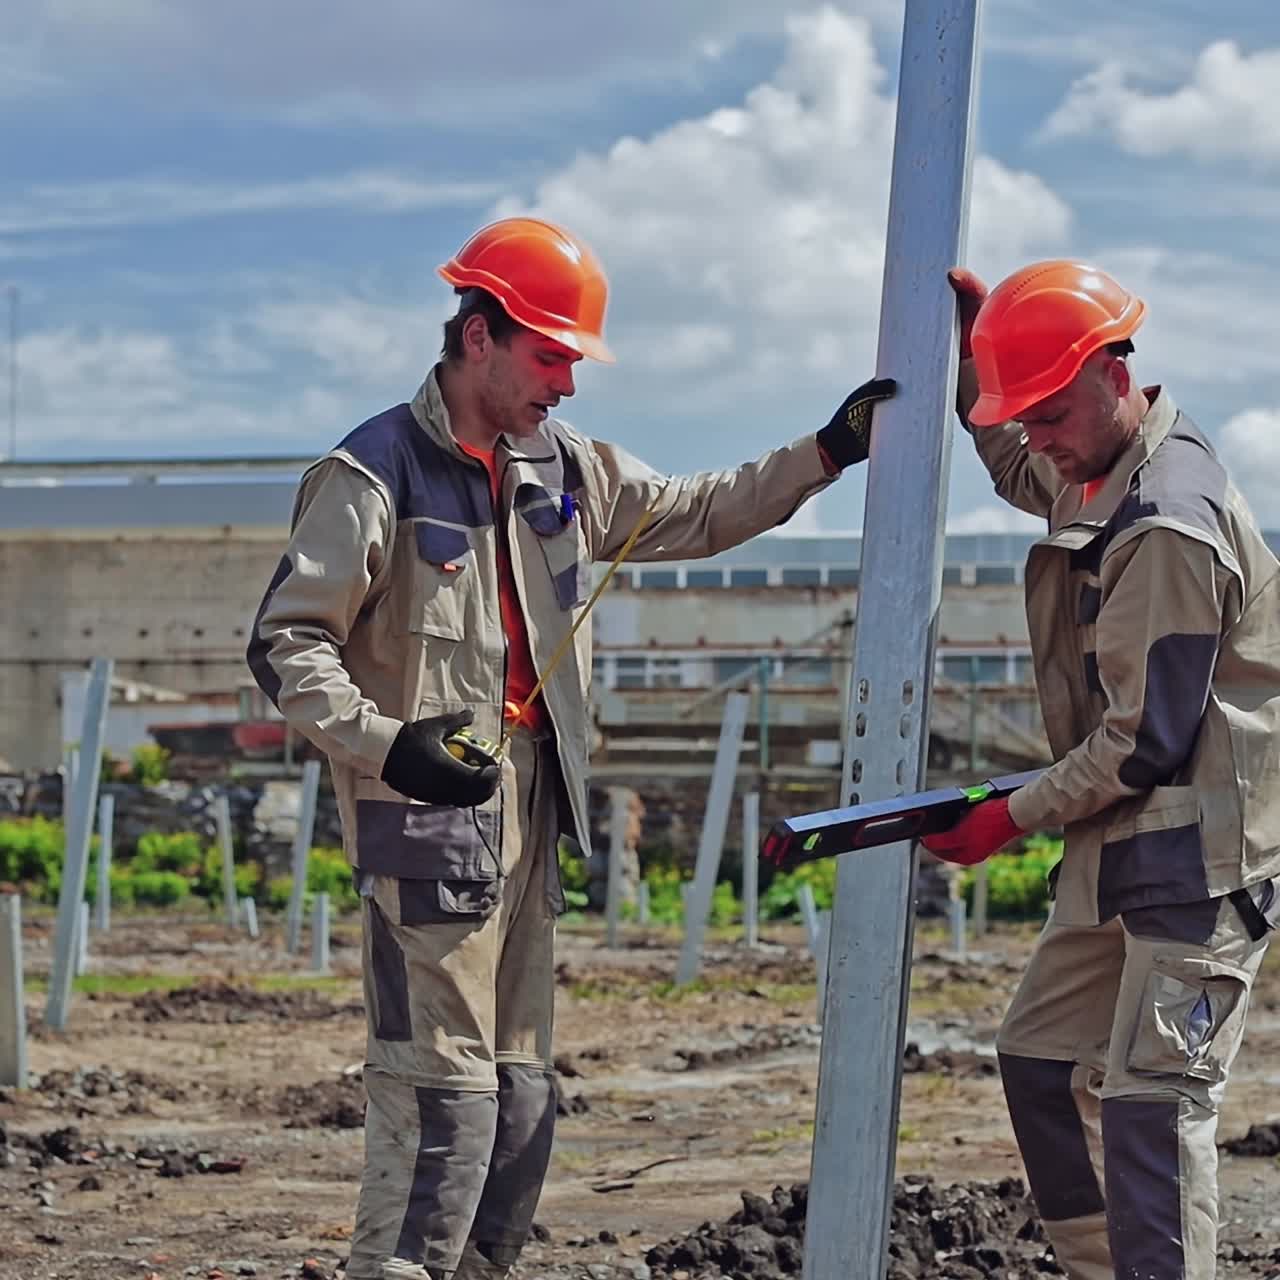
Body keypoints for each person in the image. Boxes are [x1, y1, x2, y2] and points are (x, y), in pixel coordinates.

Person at [245, 215, 894, 1280]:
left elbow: (692, 511)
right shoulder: (370, 476)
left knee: (518, 1088)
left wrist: (822, 454)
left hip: (530, 819)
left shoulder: (564, 464)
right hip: (424, 828)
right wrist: (387, 744)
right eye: (552, 355)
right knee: (440, 1089)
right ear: (478, 337)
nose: (570, 383)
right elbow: (286, 643)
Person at [927, 259, 1280, 1279]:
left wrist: (1008, 815)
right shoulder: (1098, 462)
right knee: (1037, 1060)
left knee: (1149, 1108)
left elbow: (1144, 739)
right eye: (1021, 413)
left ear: (1110, 372)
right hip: (1123, 838)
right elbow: (1010, 459)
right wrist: (971, 351)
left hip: (1196, 851)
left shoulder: (1164, 520)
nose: (1033, 438)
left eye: (1043, 412)